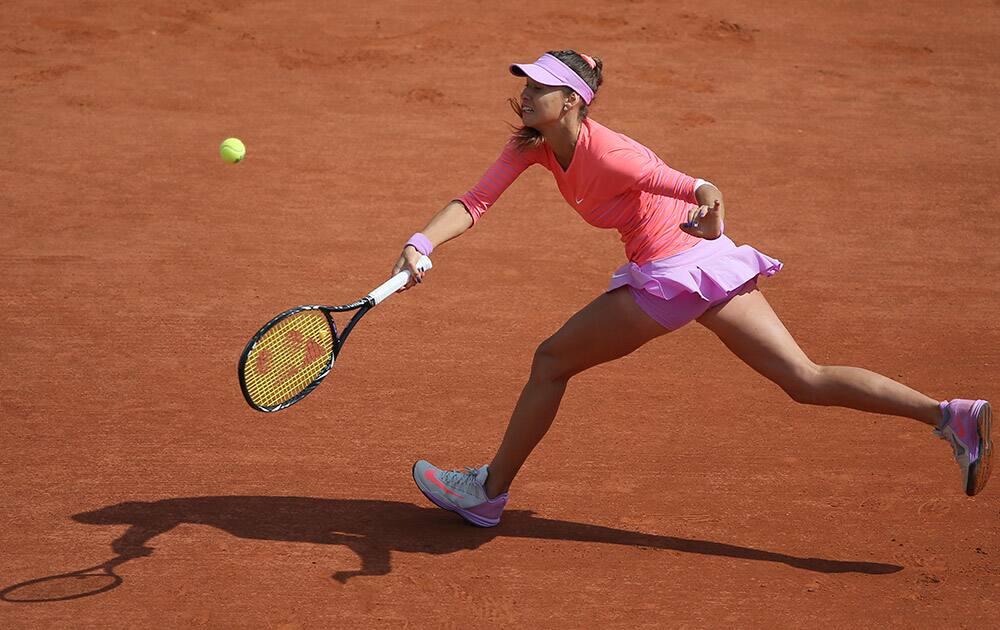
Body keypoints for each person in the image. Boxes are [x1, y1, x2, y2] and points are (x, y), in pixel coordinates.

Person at [391, 50, 992, 527]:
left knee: (550, 361)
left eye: (538, 86)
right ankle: (949, 416)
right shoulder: (534, 146)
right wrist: (423, 241)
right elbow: (476, 201)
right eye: (524, 83)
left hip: (674, 273)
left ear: (572, 101)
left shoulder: (617, 154)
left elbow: (699, 187)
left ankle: (488, 494)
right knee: (803, 379)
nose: (524, 93)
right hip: (704, 268)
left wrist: (710, 212)